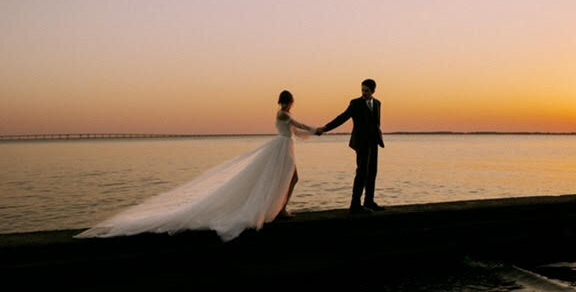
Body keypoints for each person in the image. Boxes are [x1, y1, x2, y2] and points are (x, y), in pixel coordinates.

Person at [75, 90, 316, 242]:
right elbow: (298, 125)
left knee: (289, 179)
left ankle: (280, 208)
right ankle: (279, 209)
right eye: (291, 100)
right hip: (281, 149)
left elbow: (296, 131)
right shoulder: (282, 114)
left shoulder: (283, 116)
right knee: (288, 179)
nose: (292, 104)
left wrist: (315, 132)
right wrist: (316, 130)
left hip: (284, 148)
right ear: (287, 101)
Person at [316, 79, 385, 214]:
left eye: (366, 91)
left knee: (372, 172)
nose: (364, 93)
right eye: (362, 90)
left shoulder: (377, 103)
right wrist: (325, 128)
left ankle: (369, 201)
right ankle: (355, 205)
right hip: (361, 143)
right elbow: (342, 117)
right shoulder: (356, 103)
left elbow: (376, 124)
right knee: (361, 173)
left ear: (373, 91)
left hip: (374, 142)